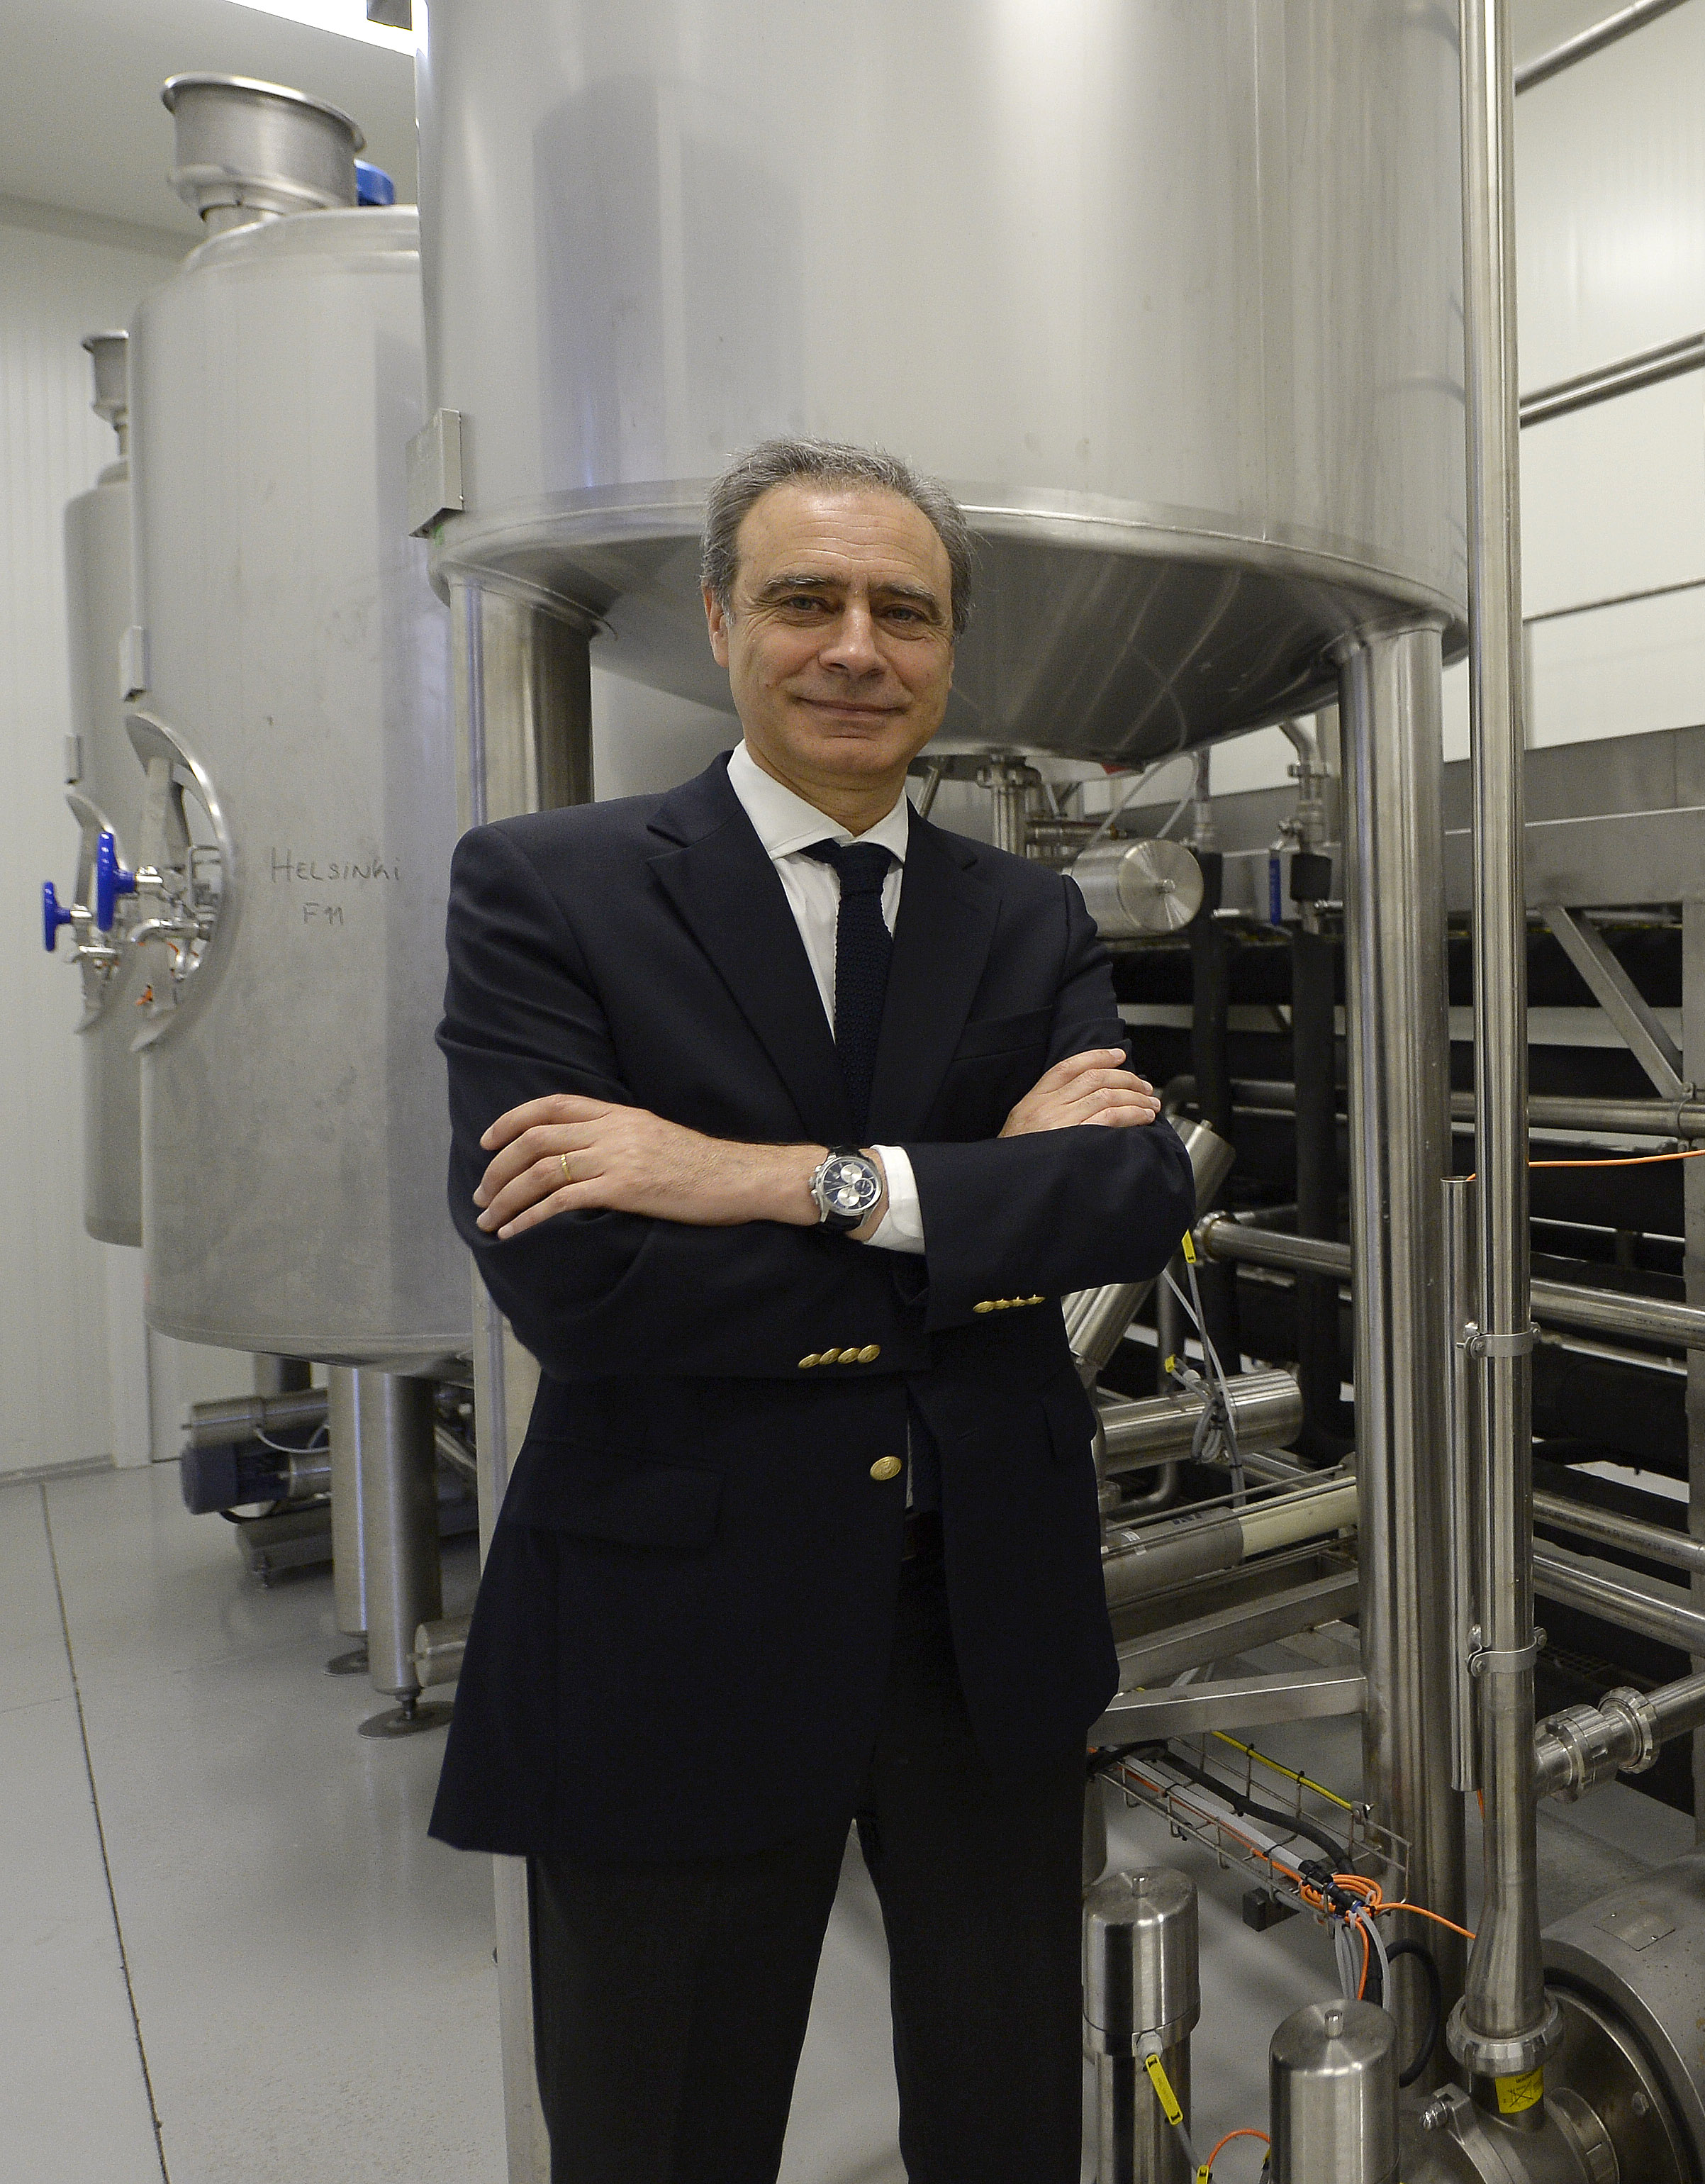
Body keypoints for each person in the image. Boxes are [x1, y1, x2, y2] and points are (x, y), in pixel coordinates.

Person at [428, 438, 1194, 2184]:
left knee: (1006, 2120)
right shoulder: (548, 887)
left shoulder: (1029, 916)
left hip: (981, 1615)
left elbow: (1129, 1197)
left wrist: (761, 1177)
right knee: (663, 2127)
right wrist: (971, 1205)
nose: (856, 645)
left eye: (902, 611)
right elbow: (583, 1283)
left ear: (949, 649)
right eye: (806, 599)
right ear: (721, 623)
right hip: (678, 1619)